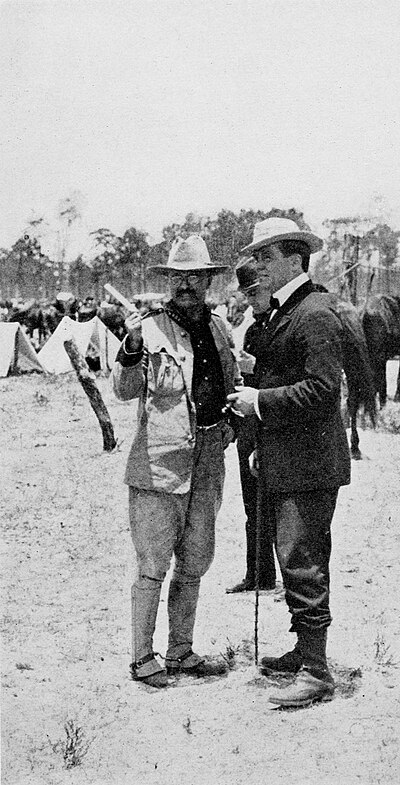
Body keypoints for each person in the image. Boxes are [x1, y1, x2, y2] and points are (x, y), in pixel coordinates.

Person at [227, 217, 351, 708]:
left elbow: (323, 392)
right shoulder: (285, 312)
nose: (256, 264)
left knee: (302, 561)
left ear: (295, 259)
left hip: (312, 464)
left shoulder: (315, 313)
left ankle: (318, 672)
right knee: (291, 555)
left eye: (265, 256)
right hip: (287, 458)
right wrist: (262, 441)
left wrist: (259, 401)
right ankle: (304, 650)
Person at [113, 234, 241, 688]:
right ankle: (142, 659)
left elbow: (233, 384)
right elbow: (124, 390)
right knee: (152, 564)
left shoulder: (222, 328)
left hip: (208, 459)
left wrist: (232, 423)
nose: (186, 285)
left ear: (208, 282)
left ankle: (181, 652)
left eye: (195, 277)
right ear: (170, 281)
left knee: (195, 561)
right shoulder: (146, 328)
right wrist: (128, 346)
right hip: (158, 465)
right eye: (178, 277)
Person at [226, 259, 277, 594]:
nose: (251, 299)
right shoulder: (253, 326)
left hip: (276, 425)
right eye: (247, 293)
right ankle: (258, 574)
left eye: (256, 292)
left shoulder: (284, 323)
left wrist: (257, 367)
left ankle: (291, 579)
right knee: (252, 505)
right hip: (250, 427)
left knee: (281, 507)